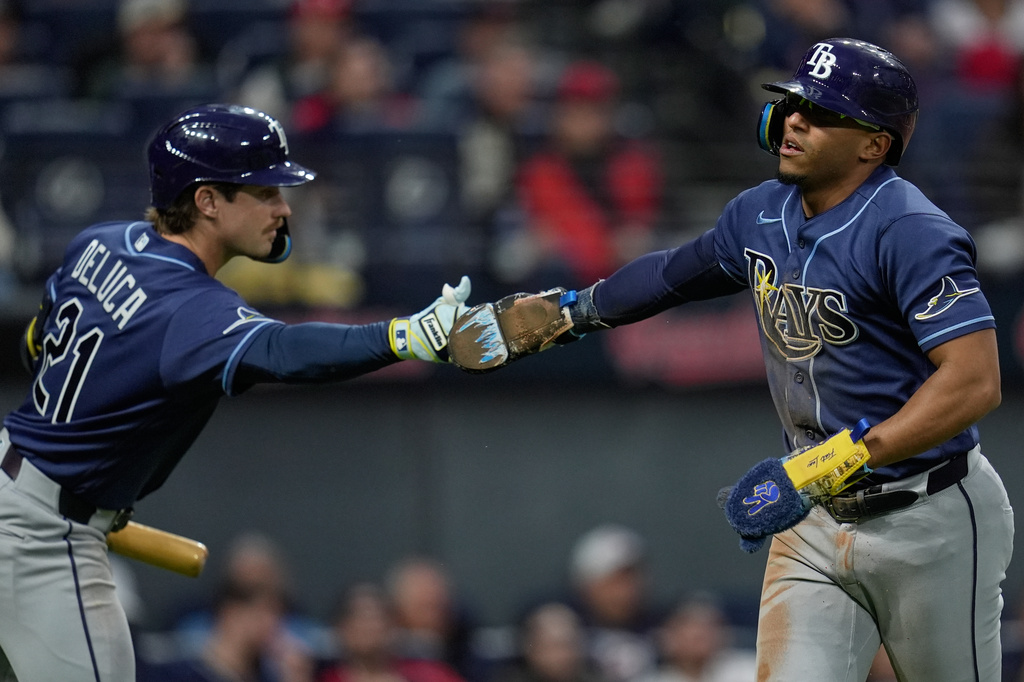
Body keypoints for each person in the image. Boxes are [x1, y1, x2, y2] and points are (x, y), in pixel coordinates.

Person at [461, 38, 1013, 680]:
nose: (796, 119)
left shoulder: (911, 229)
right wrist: (574, 312)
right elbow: (672, 274)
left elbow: (975, 382)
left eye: (822, 112)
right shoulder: (759, 213)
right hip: (813, 514)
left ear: (874, 144)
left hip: (931, 515)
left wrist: (829, 464)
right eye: (794, 104)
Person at [0, 102, 472, 681]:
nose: (282, 206)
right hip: (47, 538)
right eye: (264, 191)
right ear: (207, 200)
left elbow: (33, 343)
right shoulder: (193, 308)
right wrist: (404, 335)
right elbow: (286, 353)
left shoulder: (100, 240)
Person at [510, 60, 663, 291]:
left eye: (594, 111)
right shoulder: (540, 170)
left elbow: (642, 231)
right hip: (564, 295)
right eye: (575, 111)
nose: (584, 122)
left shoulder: (633, 165)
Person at [144, 575, 314, 682]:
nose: (271, 624)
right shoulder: (176, 672)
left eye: (277, 616)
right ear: (230, 613)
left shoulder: (270, 675)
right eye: (261, 613)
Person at [564, 525, 660, 682]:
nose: (626, 591)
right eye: (615, 582)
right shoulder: (564, 635)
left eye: (633, 579)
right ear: (586, 585)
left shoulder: (664, 632)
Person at [317, 582, 465, 682]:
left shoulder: (431, 675)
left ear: (393, 625)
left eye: (378, 618)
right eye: (359, 618)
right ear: (341, 628)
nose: (370, 627)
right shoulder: (325, 678)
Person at [637, 594, 755, 682]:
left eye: (709, 624)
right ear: (667, 635)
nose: (699, 632)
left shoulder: (750, 669)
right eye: (687, 624)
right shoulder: (653, 679)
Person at [490, 602, 607, 682]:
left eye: (569, 645)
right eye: (554, 646)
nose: (563, 656)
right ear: (531, 649)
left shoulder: (594, 678)